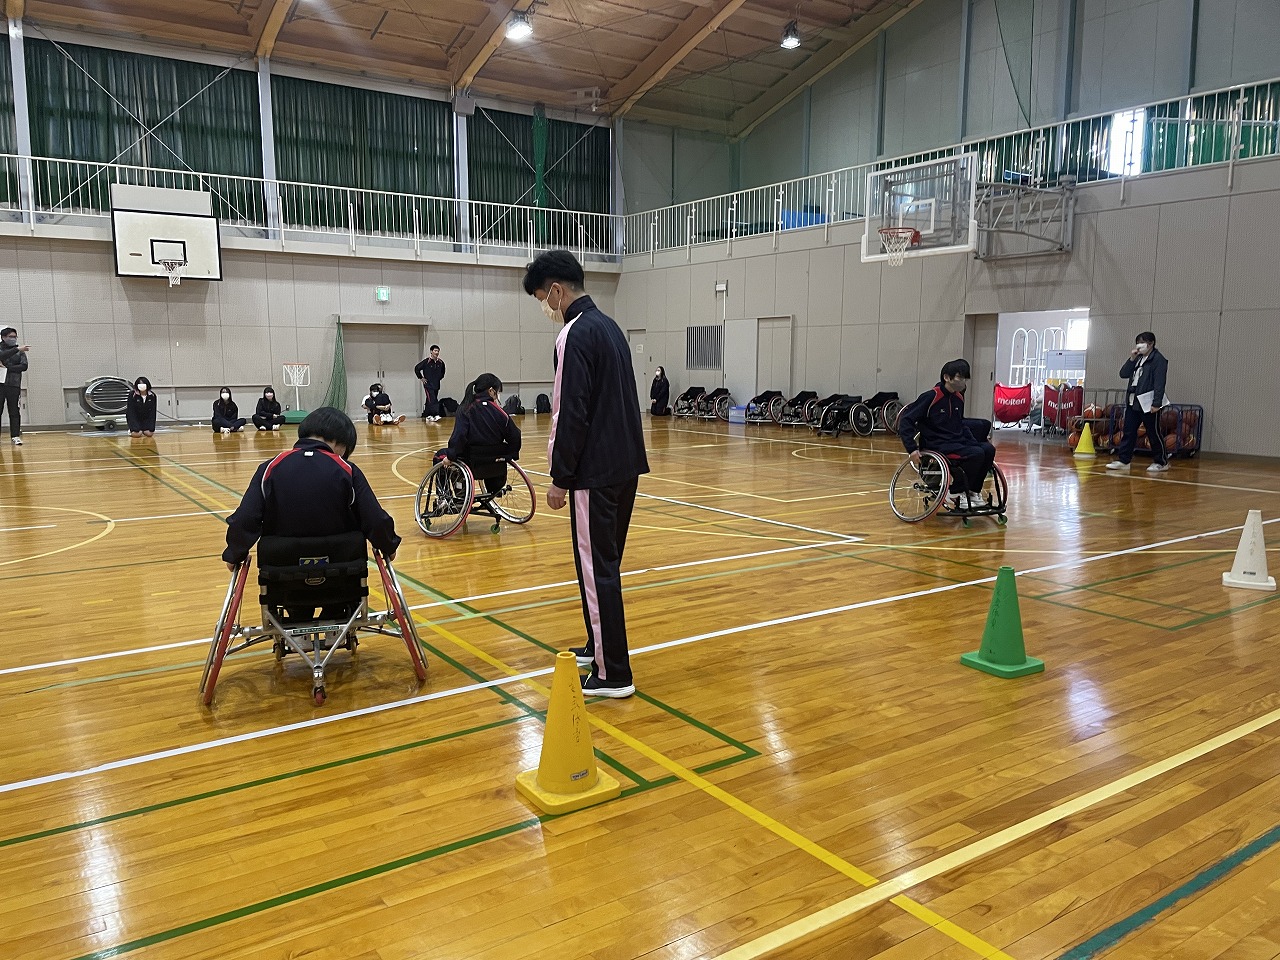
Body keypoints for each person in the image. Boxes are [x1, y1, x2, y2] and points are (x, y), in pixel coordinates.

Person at [523, 249, 649, 699]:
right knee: (603, 567)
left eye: (543, 297)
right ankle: (599, 646)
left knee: (597, 571)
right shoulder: (610, 327)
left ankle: (613, 671)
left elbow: (567, 411)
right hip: (625, 465)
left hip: (595, 472)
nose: (545, 306)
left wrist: (560, 476)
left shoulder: (574, 334)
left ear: (556, 290)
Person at [222, 408, 401, 621]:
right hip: (341, 576)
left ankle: (298, 615)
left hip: (284, 579)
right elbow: (374, 519)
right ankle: (335, 614)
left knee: (289, 579)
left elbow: (245, 519)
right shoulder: (346, 469)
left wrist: (234, 553)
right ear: (339, 442)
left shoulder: (270, 468)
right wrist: (389, 546)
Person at [897, 358, 996, 507]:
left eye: (965, 378)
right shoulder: (931, 397)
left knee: (988, 449)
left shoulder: (959, 398)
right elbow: (906, 420)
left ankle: (973, 491)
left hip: (955, 441)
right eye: (960, 377)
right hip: (936, 444)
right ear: (947, 378)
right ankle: (956, 491)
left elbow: (960, 424)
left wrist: (973, 441)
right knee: (976, 454)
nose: (963, 382)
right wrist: (911, 448)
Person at [438, 372, 522, 494]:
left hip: (471, 460)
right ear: (492, 391)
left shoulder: (466, 408)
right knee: (496, 458)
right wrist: (510, 454)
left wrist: (451, 456)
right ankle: (494, 490)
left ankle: (447, 496)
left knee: (439, 456)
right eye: (498, 392)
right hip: (495, 464)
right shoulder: (501, 413)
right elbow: (515, 436)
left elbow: (459, 436)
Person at [1108, 331, 1170, 474]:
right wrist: (1131, 359)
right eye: (1138, 342)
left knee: (1153, 432)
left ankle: (1161, 461)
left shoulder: (1158, 360)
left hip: (1148, 403)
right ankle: (1124, 460)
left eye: (1143, 342)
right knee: (1129, 431)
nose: (1139, 346)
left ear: (1151, 344)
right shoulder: (1138, 359)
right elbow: (1123, 374)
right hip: (1133, 401)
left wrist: (1157, 403)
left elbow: (1159, 383)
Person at [1, 326, 29, 445]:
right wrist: (17, 349)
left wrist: (7, 368)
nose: (13, 339)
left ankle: (15, 436)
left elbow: (24, 366)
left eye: (14, 337)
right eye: (10, 337)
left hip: (14, 384)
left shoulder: (20, 350)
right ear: (3, 337)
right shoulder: (4, 349)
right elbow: (1, 356)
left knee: (14, 411)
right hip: (0, 384)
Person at [415, 345, 446, 422]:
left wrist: (439, 378)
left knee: (430, 399)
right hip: (428, 385)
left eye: (438, 351)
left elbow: (443, 372)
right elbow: (417, 368)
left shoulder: (441, 362)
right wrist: (421, 378)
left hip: (436, 384)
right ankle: (435, 414)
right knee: (432, 399)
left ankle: (427, 415)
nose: (437, 352)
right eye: (435, 351)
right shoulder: (426, 362)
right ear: (431, 351)